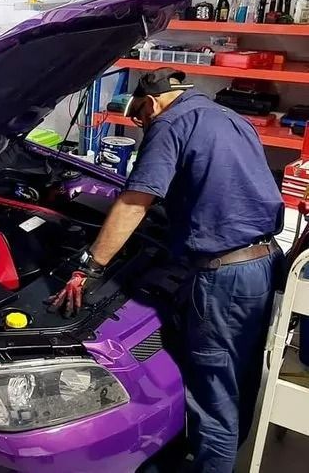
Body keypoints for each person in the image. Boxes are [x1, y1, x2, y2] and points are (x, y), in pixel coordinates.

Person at [49, 67, 285, 473]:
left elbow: (134, 202)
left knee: (214, 397)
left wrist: (88, 266)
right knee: (239, 375)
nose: (141, 123)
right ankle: (221, 453)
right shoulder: (225, 116)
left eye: (140, 114)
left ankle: (212, 462)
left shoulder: (168, 123)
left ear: (154, 101)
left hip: (224, 275)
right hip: (263, 262)